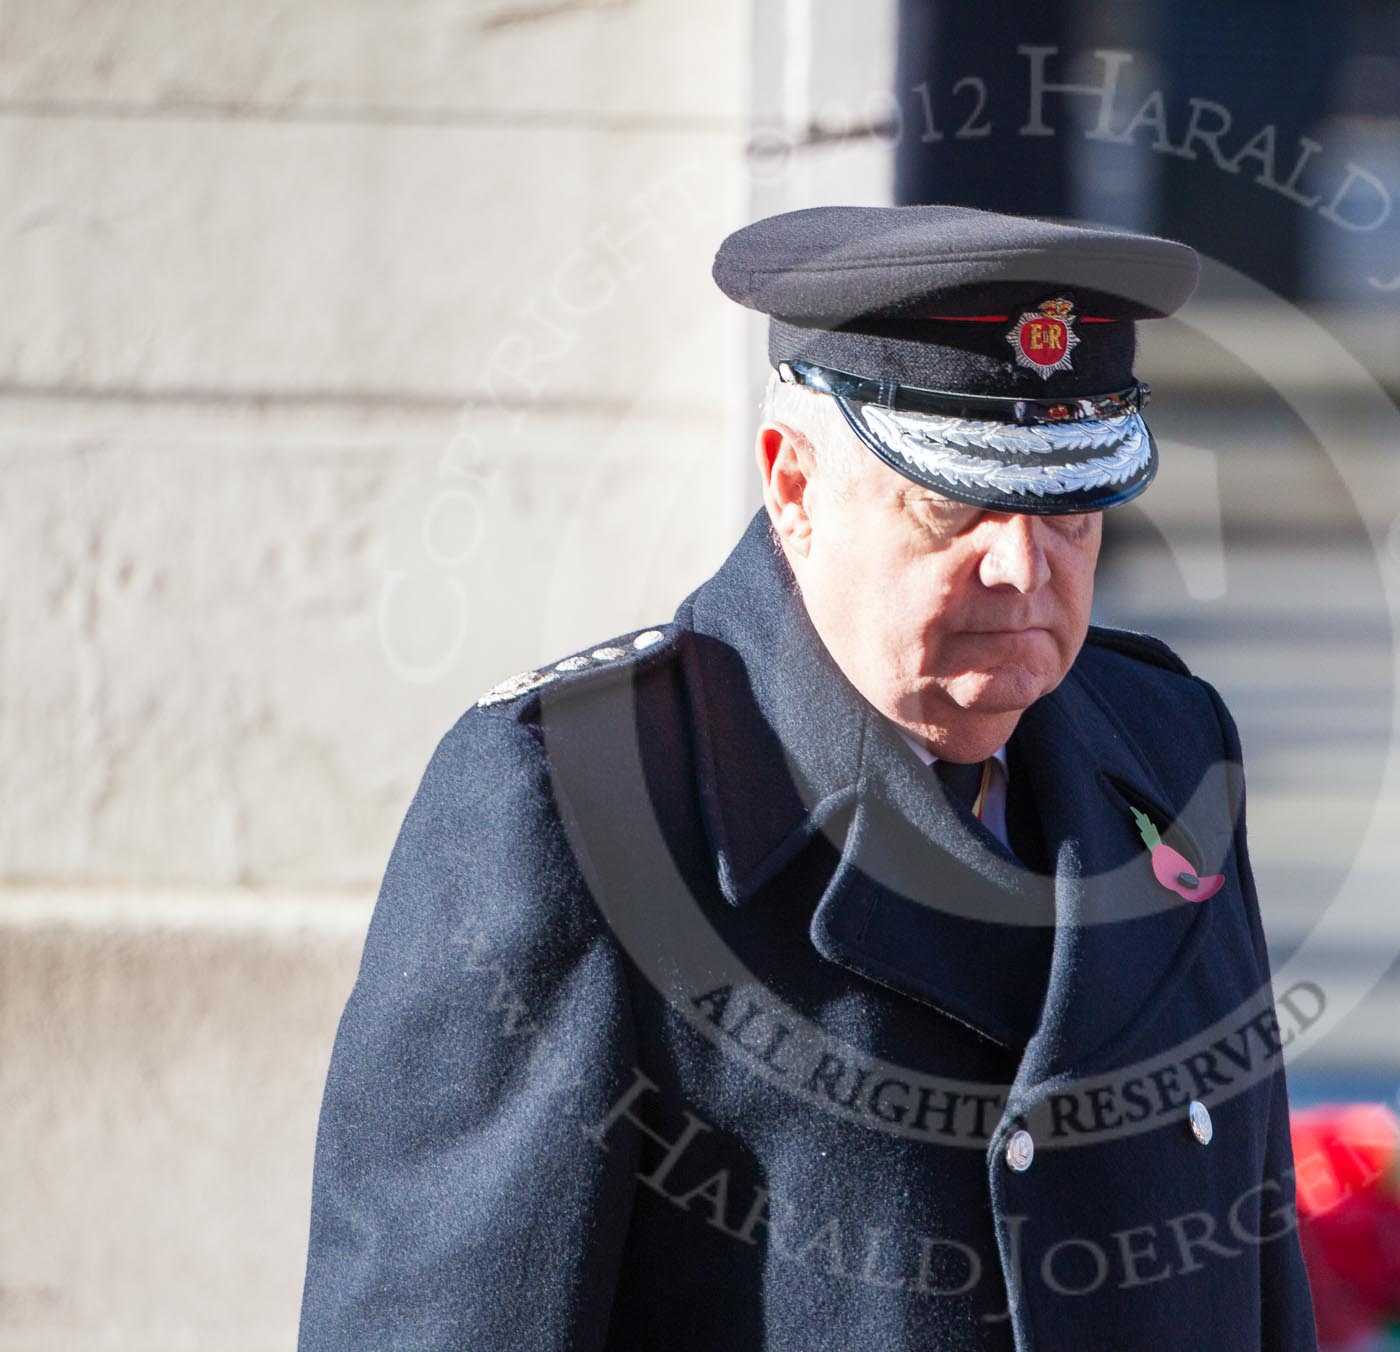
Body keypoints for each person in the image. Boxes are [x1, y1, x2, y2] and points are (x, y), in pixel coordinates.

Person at [297, 204, 1321, 1351]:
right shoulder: (583, 801)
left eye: (1067, 505)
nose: (1025, 563)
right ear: (793, 482)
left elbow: (1257, 1265)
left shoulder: (1169, 745)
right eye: (956, 498)